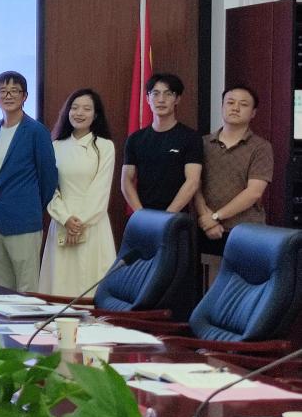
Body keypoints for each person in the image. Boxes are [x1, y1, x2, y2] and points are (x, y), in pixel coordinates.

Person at [0, 71, 57, 293]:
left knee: (26, 286)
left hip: (23, 220)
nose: (8, 95)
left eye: (14, 91)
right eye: (2, 91)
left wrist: (31, 206)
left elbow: (48, 177)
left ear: (25, 96)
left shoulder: (36, 131)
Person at [37, 89, 117, 297]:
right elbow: (50, 188)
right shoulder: (55, 145)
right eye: (74, 108)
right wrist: (65, 219)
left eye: (86, 109)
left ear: (95, 114)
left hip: (92, 223)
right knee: (60, 285)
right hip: (61, 221)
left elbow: (101, 189)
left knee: (90, 284)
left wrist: (79, 223)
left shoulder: (104, 146)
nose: (79, 113)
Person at [193, 85, 272, 259]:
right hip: (208, 229)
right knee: (210, 275)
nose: (235, 108)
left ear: (253, 113)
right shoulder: (202, 143)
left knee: (245, 275)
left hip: (248, 230)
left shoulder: (261, 147)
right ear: (222, 107)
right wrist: (206, 217)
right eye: (230, 102)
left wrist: (215, 217)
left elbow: (254, 192)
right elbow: (194, 185)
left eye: (243, 104)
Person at [121, 73, 203, 213]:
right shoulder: (135, 139)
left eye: (168, 94)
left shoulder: (191, 137)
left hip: (176, 217)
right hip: (143, 216)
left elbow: (192, 182)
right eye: (155, 94)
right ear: (147, 98)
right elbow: (126, 181)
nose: (161, 100)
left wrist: (166, 216)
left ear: (177, 99)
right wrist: (141, 214)